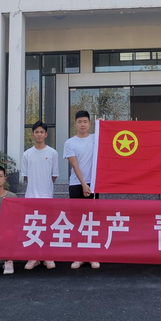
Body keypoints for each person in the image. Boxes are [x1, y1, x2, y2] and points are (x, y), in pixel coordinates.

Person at [63, 110, 100, 270]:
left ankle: (92, 255)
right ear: (75, 124)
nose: (82, 125)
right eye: (79, 122)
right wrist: (84, 184)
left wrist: (102, 124)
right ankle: (78, 256)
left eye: (85, 121)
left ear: (89, 124)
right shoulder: (70, 143)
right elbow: (75, 165)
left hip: (94, 184)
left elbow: (111, 137)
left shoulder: (96, 138)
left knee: (92, 220)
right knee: (77, 220)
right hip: (76, 184)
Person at [22, 120, 59, 270]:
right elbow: (26, 176)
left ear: (46, 134)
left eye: (41, 132)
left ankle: (48, 256)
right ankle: (33, 257)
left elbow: (54, 175)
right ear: (32, 134)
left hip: (47, 196)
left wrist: (44, 187)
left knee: (47, 227)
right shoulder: (27, 154)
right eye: (36, 132)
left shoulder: (53, 153)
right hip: (31, 196)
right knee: (33, 226)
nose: (39, 135)